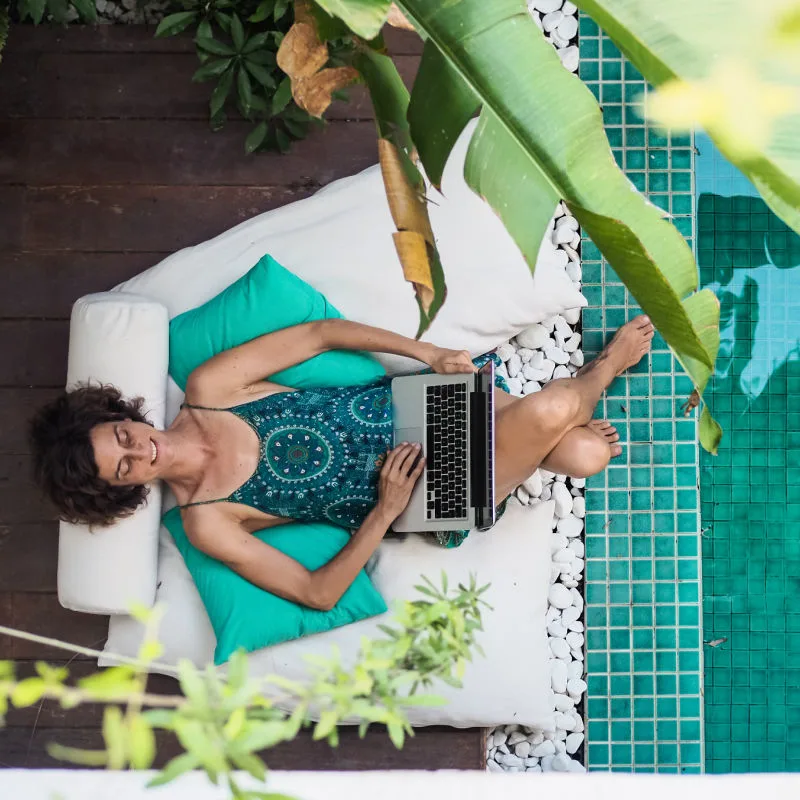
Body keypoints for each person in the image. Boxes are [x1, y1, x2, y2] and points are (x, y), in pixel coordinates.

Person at [30, 315, 654, 610]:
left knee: (582, 452)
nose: (141, 449)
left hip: (426, 406)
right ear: (127, 490)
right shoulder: (206, 521)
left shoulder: (211, 387)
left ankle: (550, 425)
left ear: (127, 415)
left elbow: (321, 335)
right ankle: (600, 374)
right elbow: (318, 593)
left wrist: (430, 354)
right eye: (125, 467)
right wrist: (384, 511)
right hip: (425, 494)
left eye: (124, 435)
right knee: (573, 437)